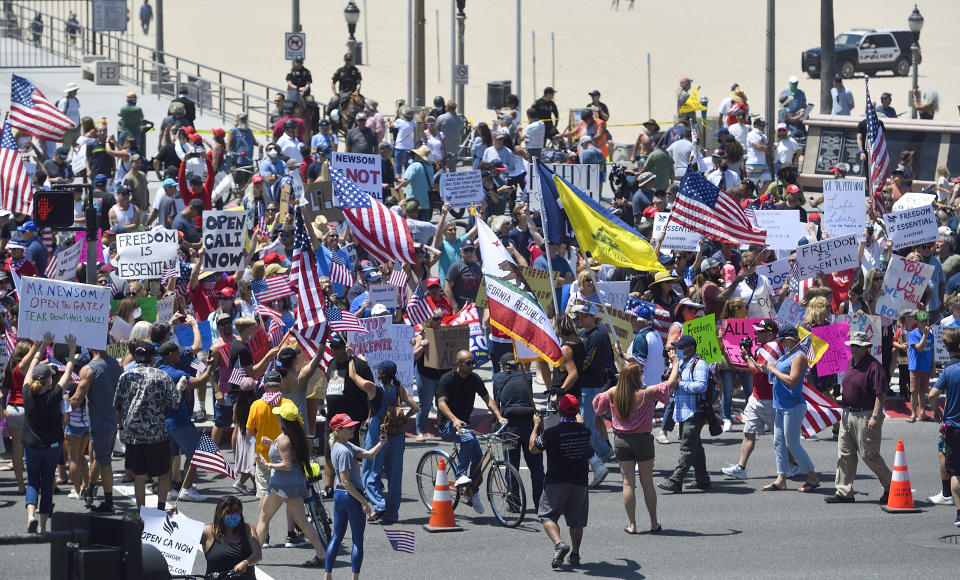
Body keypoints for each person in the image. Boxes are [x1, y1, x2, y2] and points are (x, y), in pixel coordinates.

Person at [595, 357, 678, 535]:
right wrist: (676, 363)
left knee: (627, 483)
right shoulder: (646, 393)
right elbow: (670, 383)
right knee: (647, 483)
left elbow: (597, 406)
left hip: (621, 441)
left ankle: (632, 525)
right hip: (642, 440)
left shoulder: (613, 392)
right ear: (636, 377)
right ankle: (654, 523)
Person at [255, 402, 326, 567]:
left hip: (281, 484)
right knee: (302, 521)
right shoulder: (295, 436)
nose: (277, 418)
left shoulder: (283, 439)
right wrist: (272, 443)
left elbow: (286, 465)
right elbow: (287, 451)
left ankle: (254, 556)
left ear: (283, 420)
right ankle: (322, 554)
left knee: (264, 517)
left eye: (279, 416)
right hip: (295, 484)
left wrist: (267, 464)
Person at [436, 350, 509, 513]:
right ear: (458, 363)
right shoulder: (447, 379)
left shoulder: (474, 379)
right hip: (448, 424)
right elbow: (441, 403)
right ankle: (461, 475)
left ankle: (472, 493)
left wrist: (499, 416)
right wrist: (454, 419)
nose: (471, 366)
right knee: (468, 440)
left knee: (478, 457)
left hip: (465, 425)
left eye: (473, 363)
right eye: (468, 363)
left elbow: (487, 399)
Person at [824, 331, 892, 504]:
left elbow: (881, 394)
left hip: (866, 414)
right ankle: (844, 492)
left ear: (866, 348)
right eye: (852, 345)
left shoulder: (874, 367)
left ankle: (892, 487)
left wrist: (875, 416)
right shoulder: (850, 363)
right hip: (847, 413)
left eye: (857, 346)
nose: (853, 349)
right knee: (844, 454)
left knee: (869, 454)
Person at [114, 342, 183, 510]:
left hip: (133, 435)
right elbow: (175, 403)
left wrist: (121, 428)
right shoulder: (161, 376)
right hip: (156, 434)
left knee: (139, 475)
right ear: (153, 357)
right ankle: (160, 507)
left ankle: (141, 510)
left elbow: (118, 406)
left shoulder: (125, 376)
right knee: (164, 473)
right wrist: (180, 387)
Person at [23, 333, 76, 533]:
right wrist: (71, 350)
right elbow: (69, 370)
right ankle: (44, 526)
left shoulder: (27, 393)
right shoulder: (54, 395)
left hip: (32, 445)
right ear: (49, 380)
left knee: (32, 482)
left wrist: (42, 345)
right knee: (47, 485)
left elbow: (29, 369)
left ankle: (30, 516)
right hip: (52, 446)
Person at [529, 394, 589, 570]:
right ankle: (575, 555)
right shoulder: (585, 429)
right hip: (580, 481)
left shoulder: (552, 433)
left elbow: (533, 448)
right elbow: (579, 418)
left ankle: (559, 543)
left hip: (557, 481)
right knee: (576, 521)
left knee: (547, 515)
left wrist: (536, 426)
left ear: (560, 411)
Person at [325, 412, 386, 578]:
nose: (353, 429)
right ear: (338, 430)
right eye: (348, 427)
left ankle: (327, 575)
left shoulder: (343, 446)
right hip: (351, 496)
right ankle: (354, 577)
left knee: (337, 537)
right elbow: (346, 481)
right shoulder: (344, 451)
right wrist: (364, 502)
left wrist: (381, 443)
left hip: (339, 496)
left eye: (352, 425)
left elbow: (369, 454)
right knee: (357, 540)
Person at [758, 327, 820, 492]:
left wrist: (773, 370)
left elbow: (792, 381)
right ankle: (781, 479)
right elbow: (777, 376)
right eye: (782, 341)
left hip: (793, 406)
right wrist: (768, 370)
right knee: (778, 443)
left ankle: (812, 477)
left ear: (792, 340)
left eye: (785, 341)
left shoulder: (799, 357)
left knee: (792, 444)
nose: (783, 344)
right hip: (780, 406)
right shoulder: (785, 357)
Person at [656, 335, 712, 493]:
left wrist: (680, 383)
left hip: (695, 412)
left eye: (680, 347)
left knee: (687, 448)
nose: (677, 350)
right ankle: (703, 479)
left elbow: (701, 386)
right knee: (696, 448)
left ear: (690, 349)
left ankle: (676, 480)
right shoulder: (682, 364)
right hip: (683, 411)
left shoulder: (699, 364)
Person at [363, 361, 416, 524]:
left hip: (378, 433)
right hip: (397, 434)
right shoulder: (400, 390)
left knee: (370, 472)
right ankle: (392, 515)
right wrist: (403, 419)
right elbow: (415, 408)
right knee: (394, 477)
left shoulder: (376, 390)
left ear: (379, 373)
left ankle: (379, 505)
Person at [493, 353, 545, 512]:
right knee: (536, 467)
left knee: (511, 464)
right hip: (529, 425)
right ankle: (540, 503)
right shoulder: (527, 375)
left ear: (502, 366)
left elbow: (497, 401)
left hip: (510, 426)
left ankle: (514, 503)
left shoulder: (497, 378)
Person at [929, 327, 960, 527]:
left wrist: (937, 413)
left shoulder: (949, 371)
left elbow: (932, 395)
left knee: (956, 472)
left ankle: (959, 513)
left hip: (954, 426)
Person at [201, 495, 261, 579]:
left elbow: (257, 554)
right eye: (230, 512)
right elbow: (181, 539)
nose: (234, 515)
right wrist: (175, 516)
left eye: (238, 511)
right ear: (220, 513)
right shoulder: (207, 532)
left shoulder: (248, 529)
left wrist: (245, 562)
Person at [907, 310, 935, 422]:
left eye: (926, 321)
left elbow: (932, 351)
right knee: (914, 391)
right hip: (915, 367)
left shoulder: (931, 335)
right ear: (917, 322)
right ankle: (913, 413)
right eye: (922, 321)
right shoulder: (912, 334)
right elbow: (919, 348)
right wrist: (924, 335)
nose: (925, 324)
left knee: (923, 391)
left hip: (926, 366)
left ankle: (922, 413)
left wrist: (933, 367)